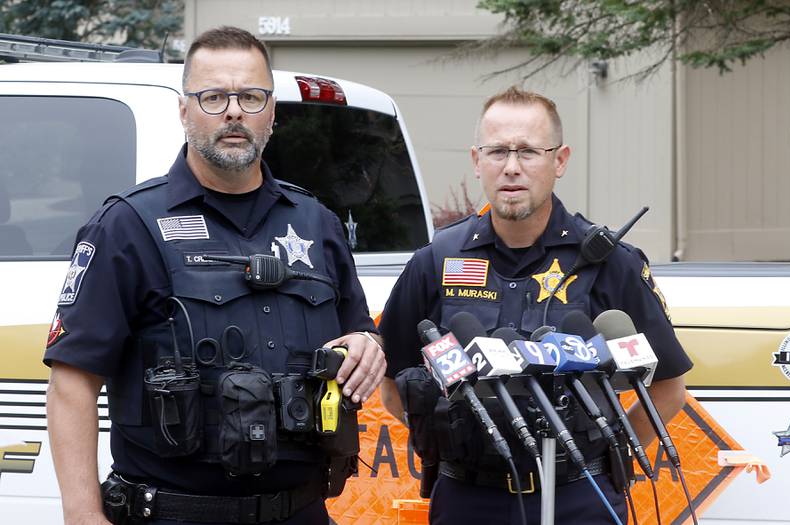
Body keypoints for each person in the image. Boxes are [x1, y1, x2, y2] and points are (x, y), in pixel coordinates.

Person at [44, 26, 385, 525]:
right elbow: (72, 382)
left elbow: (360, 333)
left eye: (250, 97)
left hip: (302, 513)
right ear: (184, 112)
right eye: (213, 97)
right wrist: (82, 513)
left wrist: (367, 346)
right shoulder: (128, 225)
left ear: (271, 113)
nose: (233, 111)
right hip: (175, 513)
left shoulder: (317, 223)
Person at [379, 86, 692, 524]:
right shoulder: (436, 261)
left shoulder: (610, 263)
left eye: (528, 151)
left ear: (559, 160)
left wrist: (605, 454)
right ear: (476, 160)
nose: (511, 167)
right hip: (468, 499)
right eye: (497, 151)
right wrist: (454, 440)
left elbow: (668, 390)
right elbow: (393, 384)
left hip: (579, 498)